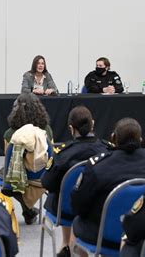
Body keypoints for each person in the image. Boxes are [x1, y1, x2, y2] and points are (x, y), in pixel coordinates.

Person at [70, 118, 145, 253]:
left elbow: (78, 204)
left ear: (113, 138)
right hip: (141, 238)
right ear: (140, 140)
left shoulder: (98, 166)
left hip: (103, 237)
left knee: (77, 222)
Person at [41, 106, 113, 257]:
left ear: (71, 128)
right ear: (92, 124)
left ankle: (66, 243)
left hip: (66, 211)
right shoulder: (108, 151)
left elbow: (46, 183)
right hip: (99, 209)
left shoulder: (63, 154)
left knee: (63, 191)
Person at [2, 93, 53, 225]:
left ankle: (28, 211)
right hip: (44, 175)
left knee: (6, 176)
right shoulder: (47, 130)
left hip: (17, 179)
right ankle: (28, 211)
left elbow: (7, 160)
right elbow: (51, 155)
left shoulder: (10, 133)